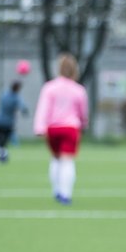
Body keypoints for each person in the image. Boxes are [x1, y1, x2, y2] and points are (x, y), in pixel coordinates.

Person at [32, 53, 89, 205]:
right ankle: (66, 194)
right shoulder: (79, 90)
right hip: (70, 128)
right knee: (67, 161)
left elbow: (43, 109)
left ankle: (56, 190)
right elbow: (83, 112)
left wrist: (39, 127)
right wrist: (84, 124)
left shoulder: (50, 87)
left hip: (53, 128)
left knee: (56, 159)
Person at [0, 81, 28, 163]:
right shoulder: (16, 97)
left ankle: (2, 154)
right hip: (9, 122)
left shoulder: (4, 95)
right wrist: (25, 112)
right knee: (5, 140)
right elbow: (23, 107)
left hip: (0, 121)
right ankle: (3, 155)